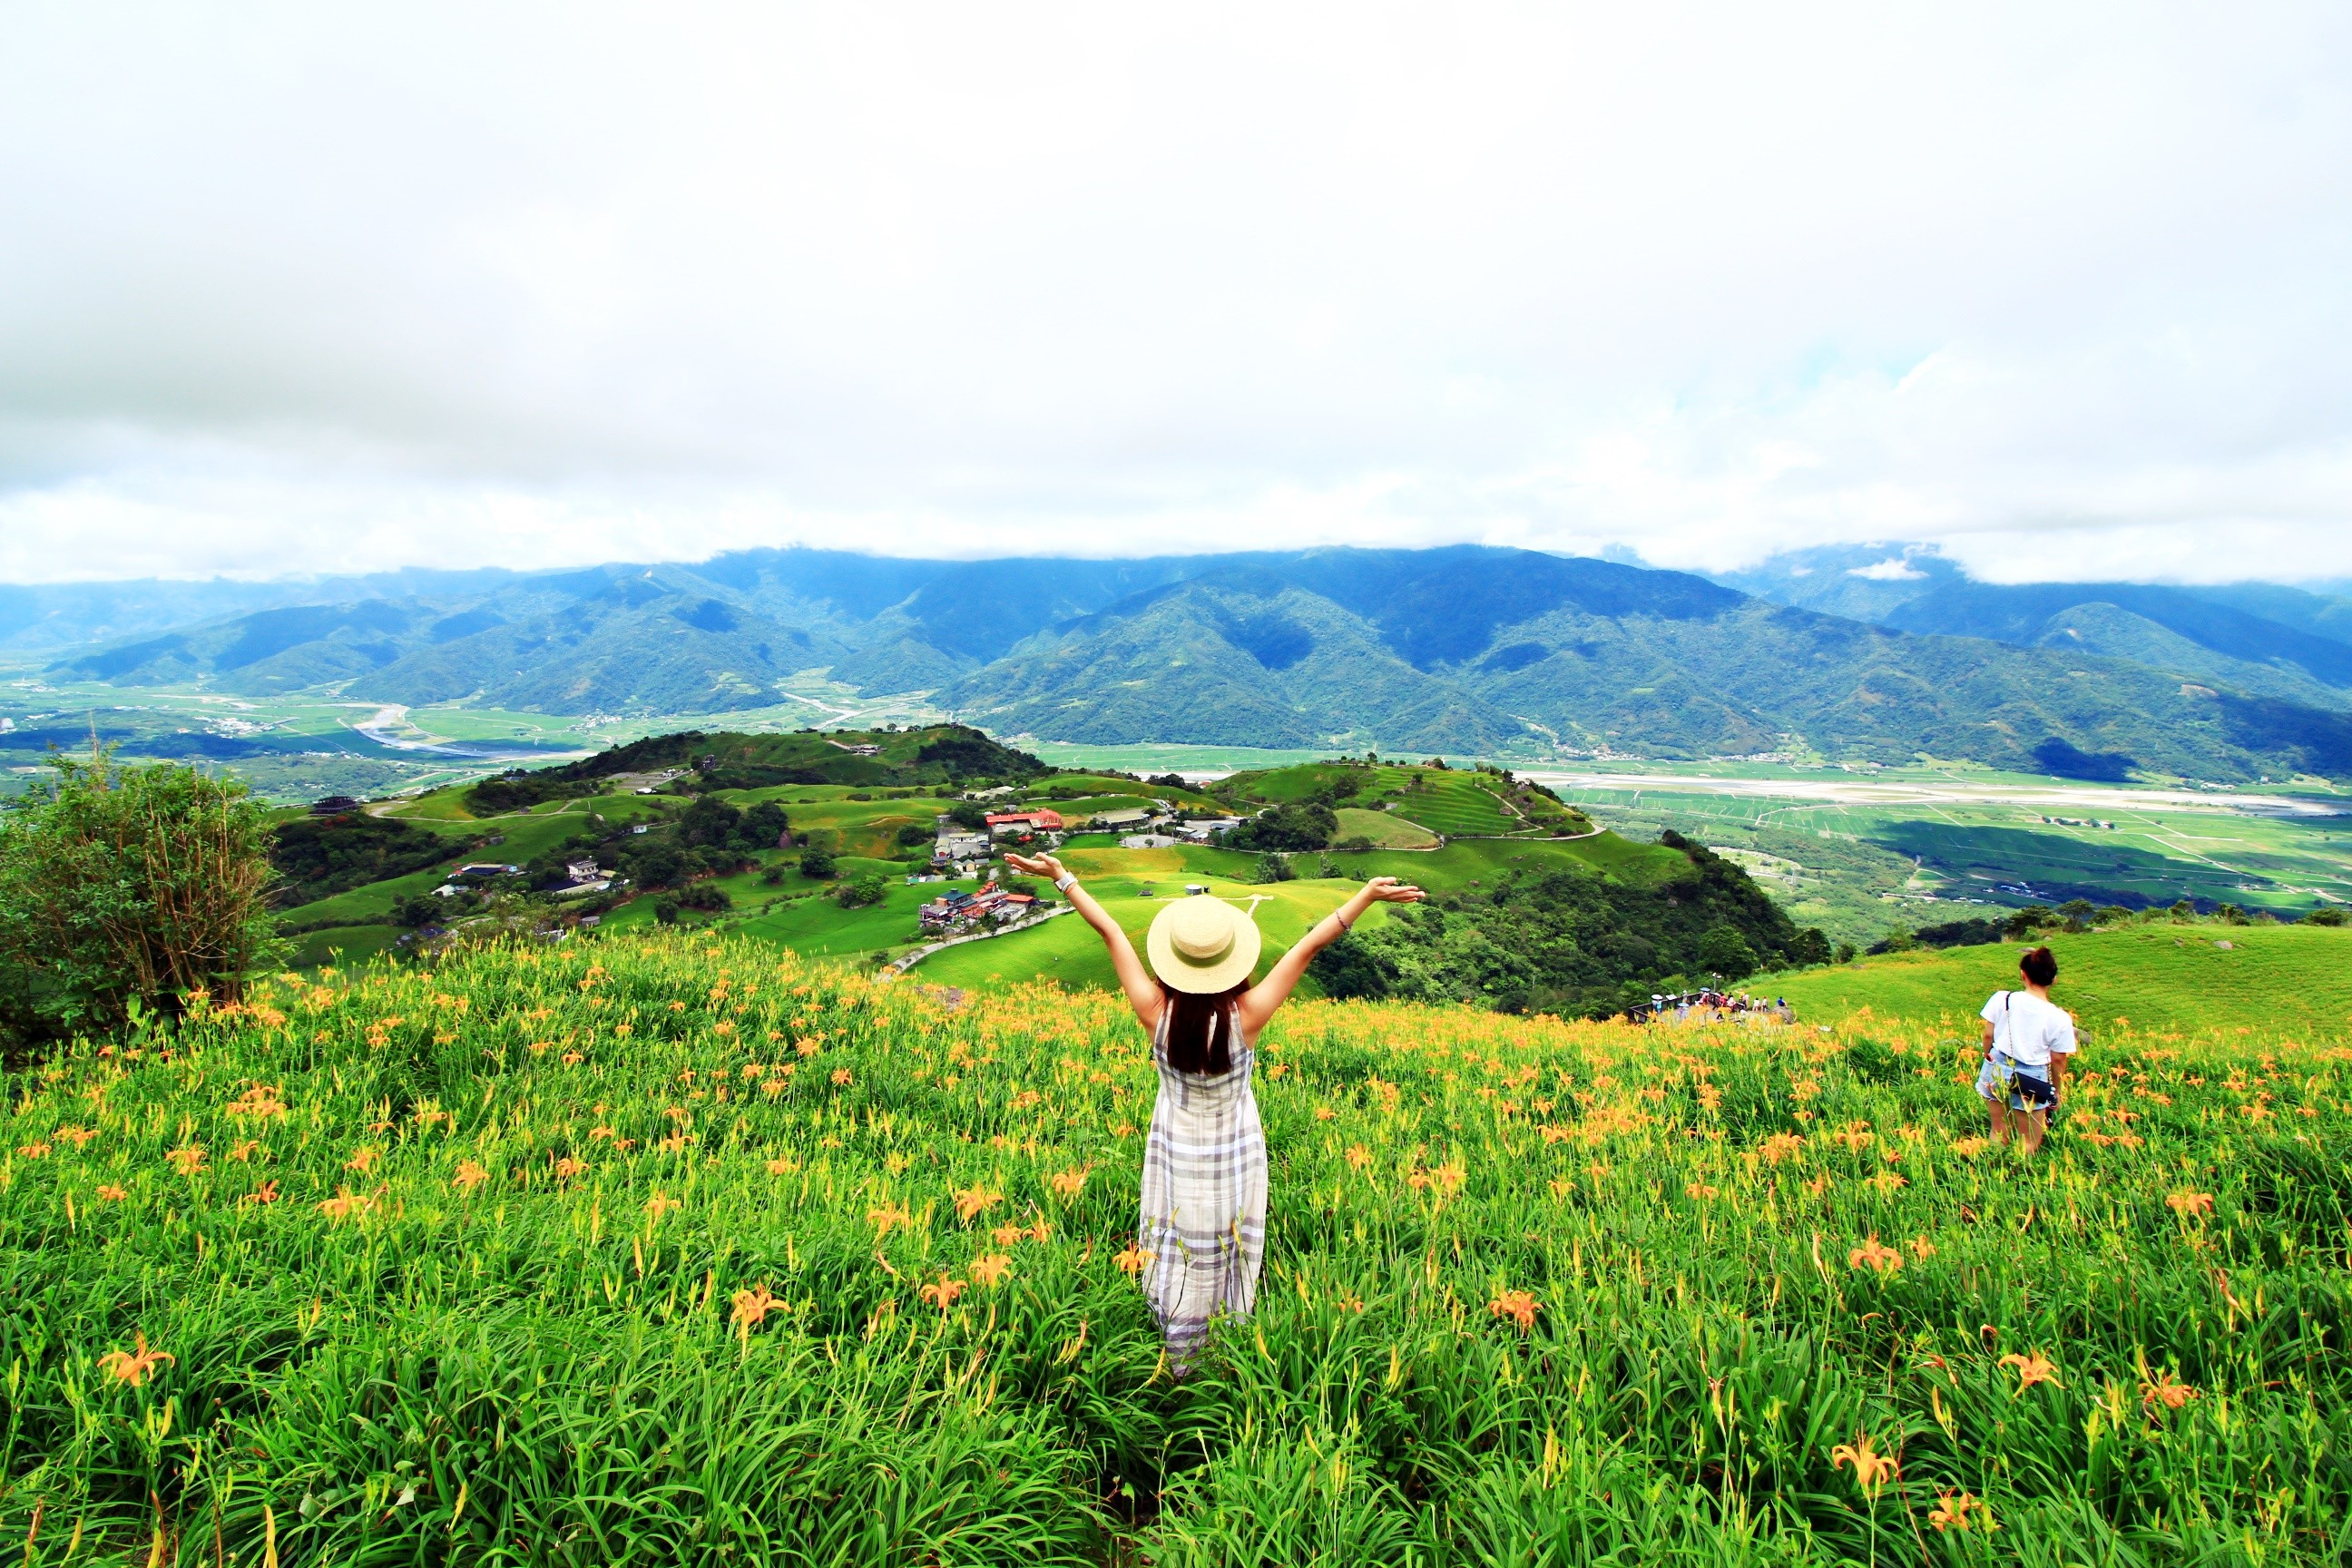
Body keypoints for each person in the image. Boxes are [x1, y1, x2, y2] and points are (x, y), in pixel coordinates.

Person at [1007, 850, 1424, 1366]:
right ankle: (1227, 1338)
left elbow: (1111, 932)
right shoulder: (1246, 1016)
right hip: (1235, 1148)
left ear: (1173, 963)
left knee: (1177, 1231)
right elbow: (1310, 945)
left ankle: (1173, 1331)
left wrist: (1062, 877)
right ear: (1231, 964)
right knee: (1229, 1238)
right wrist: (1365, 895)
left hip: (1174, 1147)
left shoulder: (1153, 1012)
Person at [1976, 945, 2076, 1154]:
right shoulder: (2060, 1018)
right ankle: (2020, 1174)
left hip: (1996, 1066)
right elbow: (2058, 1060)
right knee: (2029, 1140)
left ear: (2023, 975)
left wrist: (1988, 1058)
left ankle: (1995, 1175)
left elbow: (1988, 1035)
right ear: (2054, 979)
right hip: (2032, 1076)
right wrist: (2056, 1090)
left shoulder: (2003, 998)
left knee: (1998, 1131)